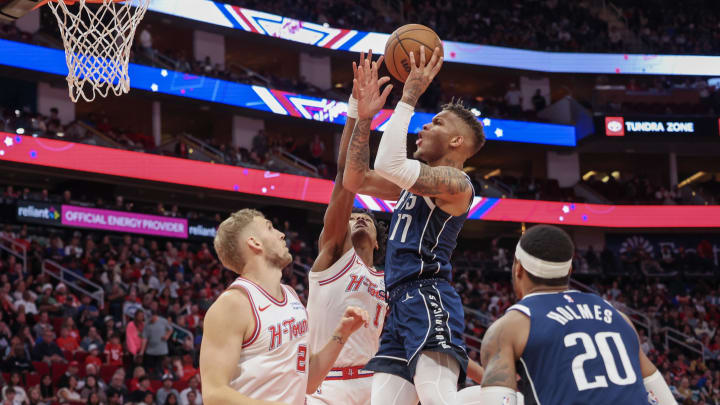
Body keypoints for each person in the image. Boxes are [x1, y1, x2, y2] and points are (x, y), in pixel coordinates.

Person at [344, 47, 485, 404]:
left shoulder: (456, 184)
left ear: (457, 142)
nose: (424, 125)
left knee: (439, 398)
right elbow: (355, 179)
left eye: (436, 122)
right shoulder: (413, 182)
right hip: (399, 304)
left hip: (427, 295)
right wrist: (363, 117)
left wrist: (409, 96)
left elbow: (390, 164)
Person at [478, 224, 677, 404]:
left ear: (518, 269)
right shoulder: (619, 317)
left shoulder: (510, 327)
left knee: (468, 397)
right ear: (570, 269)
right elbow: (663, 397)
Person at [200, 209, 370, 405]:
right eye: (270, 227)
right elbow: (213, 394)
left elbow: (309, 382)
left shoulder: (290, 295)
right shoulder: (233, 304)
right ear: (255, 243)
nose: (281, 234)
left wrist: (342, 334)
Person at [306, 51, 389, 405]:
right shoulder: (334, 254)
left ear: (377, 238)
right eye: (355, 215)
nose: (357, 217)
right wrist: (358, 111)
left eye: (365, 217)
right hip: (329, 384)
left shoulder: (389, 278)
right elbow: (345, 179)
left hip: (376, 383)